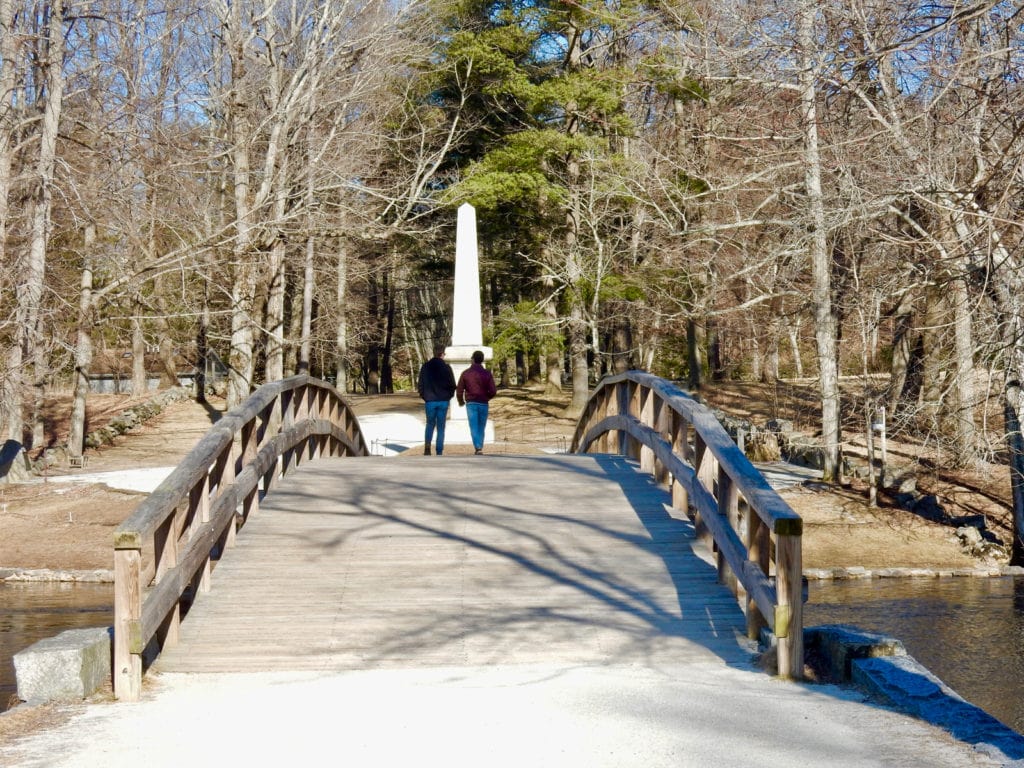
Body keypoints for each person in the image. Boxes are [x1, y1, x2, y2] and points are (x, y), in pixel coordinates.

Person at [417, 345, 456, 455]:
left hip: (430, 400)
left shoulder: (425, 366)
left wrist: (425, 396)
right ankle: (439, 450)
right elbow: (452, 385)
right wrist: (449, 396)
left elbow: (420, 384)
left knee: (429, 424)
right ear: (442, 354)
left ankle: (427, 446)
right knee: (441, 427)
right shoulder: (447, 368)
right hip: (443, 400)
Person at [456, 349, 497, 455]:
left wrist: (461, 401)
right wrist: (487, 397)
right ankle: (480, 446)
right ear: (482, 360)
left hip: (471, 403)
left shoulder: (465, 373)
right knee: (481, 426)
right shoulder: (487, 374)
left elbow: (459, 390)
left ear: (473, 360)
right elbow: (493, 390)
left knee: (473, 426)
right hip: (483, 403)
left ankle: (478, 447)